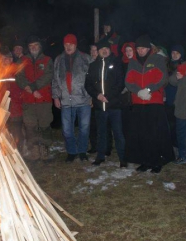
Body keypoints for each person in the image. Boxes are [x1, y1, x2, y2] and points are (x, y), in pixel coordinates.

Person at [125, 35, 174, 173]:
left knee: (155, 133)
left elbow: (163, 78)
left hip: (154, 101)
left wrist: (148, 89)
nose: (141, 51)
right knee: (141, 133)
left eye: (143, 48)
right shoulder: (132, 62)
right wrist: (138, 92)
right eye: (138, 48)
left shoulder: (157, 59)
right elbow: (128, 81)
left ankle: (157, 161)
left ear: (149, 48)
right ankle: (145, 161)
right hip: (138, 102)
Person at [85, 40, 126, 167]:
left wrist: (108, 96)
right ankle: (100, 156)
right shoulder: (93, 66)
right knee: (101, 132)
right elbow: (88, 84)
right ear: (98, 51)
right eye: (101, 49)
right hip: (99, 106)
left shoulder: (116, 63)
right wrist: (97, 95)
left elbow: (120, 83)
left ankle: (123, 158)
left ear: (110, 50)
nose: (104, 50)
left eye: (106, 48)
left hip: (114, 105)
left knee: (118, 133)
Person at [52, 34, 92, 162]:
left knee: (84, 128)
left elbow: (92, 80)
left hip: (83, 100)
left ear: (76, 45)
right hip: (66, 100)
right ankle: (71, 152)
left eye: (71, 44)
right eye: (66, 44)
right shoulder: (59, 59)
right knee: (67, 130)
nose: (68, 47)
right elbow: (55, 80)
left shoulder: (86, 58)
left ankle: (82, 151)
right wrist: (56, 97)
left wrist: (91, 96)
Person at [15, 35, 54, 160]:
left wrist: (34, 87)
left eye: (36, 45)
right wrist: (30, 90)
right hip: (28, 100)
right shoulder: (22, 61)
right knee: (30, 126)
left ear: (40, 46)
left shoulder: (47, 60)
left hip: (44, 98)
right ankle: (35, 151)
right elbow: (19, 77)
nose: (33, 48)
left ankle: (45, 149)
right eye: (31, 46)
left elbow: (48, 76)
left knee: (44, 125)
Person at [0, 48, 25, 154]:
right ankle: (5, 153)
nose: (4, 60)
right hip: (1, 106)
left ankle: (18, 153)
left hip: (15, 106)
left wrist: (19, 99)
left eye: (7, 58)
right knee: (3, 130)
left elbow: (22, 86)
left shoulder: (16, 70)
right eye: (2, 58)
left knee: (16, 131)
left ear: (11, 59)